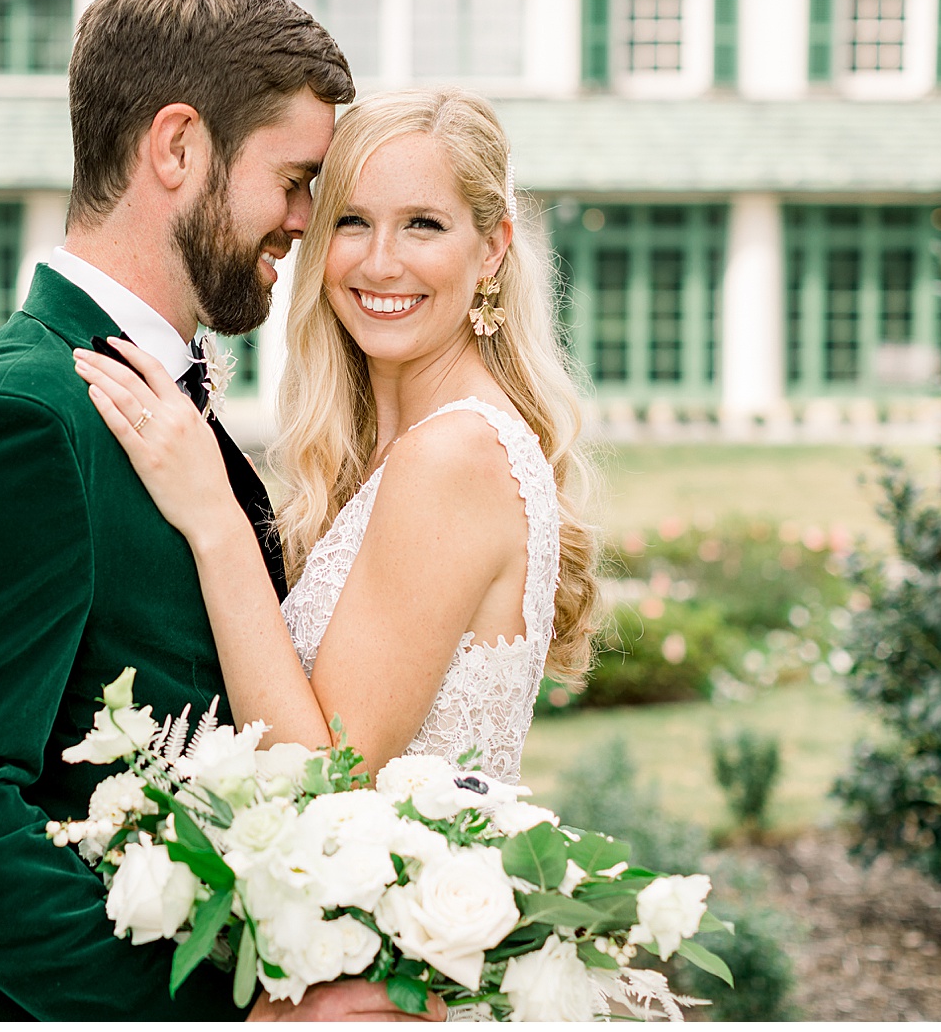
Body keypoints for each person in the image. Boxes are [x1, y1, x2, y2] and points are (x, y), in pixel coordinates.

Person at [0, 0, 441, 1022]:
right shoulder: (25, 422)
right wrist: (209, 1012)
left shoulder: (151, 393)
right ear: (178, 147)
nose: (306, 220)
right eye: (293, 177)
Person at [73, 88, 603, 793]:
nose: (380, 263)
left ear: (492, 249)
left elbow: (328, 780)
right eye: (352, 222)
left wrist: (214, 519)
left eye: (422, 225)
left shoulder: (454, 454)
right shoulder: (393, 446)